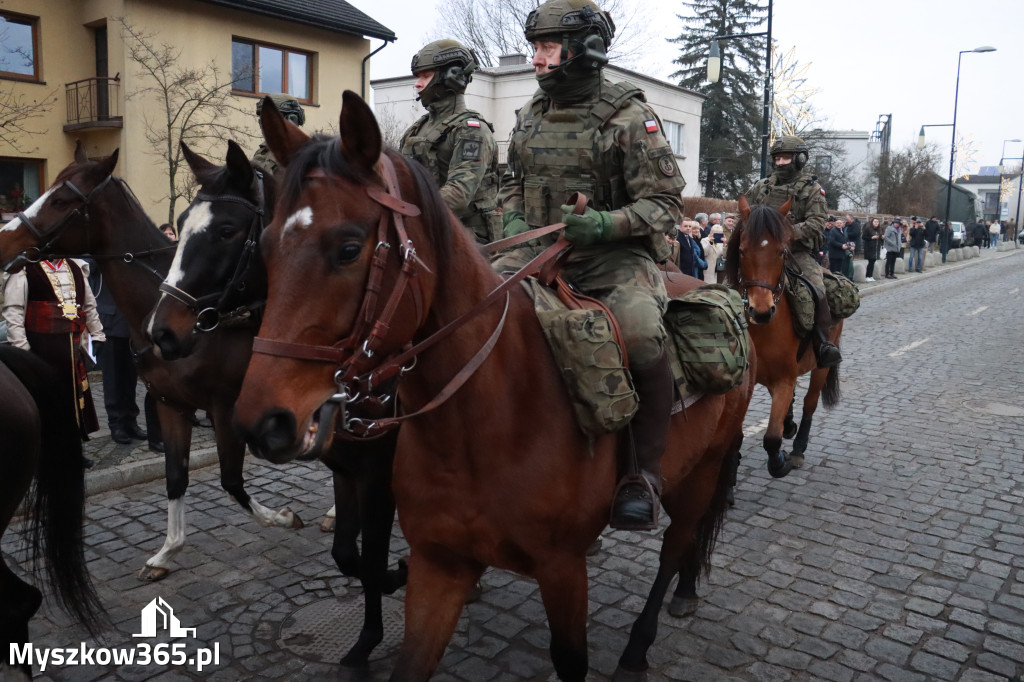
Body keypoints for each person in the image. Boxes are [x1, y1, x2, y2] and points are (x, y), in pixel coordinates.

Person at [497, 0, 685, 530]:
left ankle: (643, 475)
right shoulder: (529, 114)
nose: (535, 59)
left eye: (547, 48)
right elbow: (510, 182)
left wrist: (605, 225)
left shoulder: (629, 116)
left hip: (613, 257)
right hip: (534, 250)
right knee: (467, 308)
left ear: (585, 52)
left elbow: (666, 204)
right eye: (535, 46)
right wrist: (511, 221)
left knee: (643, 334)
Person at [745, 135, 841, 368]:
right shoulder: (761, 187)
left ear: (799, 159)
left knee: (817, 290)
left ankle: (822, 343)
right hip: (763, 254)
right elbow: (745, 214)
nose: (780, 162)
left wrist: (786, 233)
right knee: (731, 286)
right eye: (777, 158)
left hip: (797, 254)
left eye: (786, 158)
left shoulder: (812, 189)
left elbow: (818, 222)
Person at [2, 258, 106, 463]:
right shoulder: (25, 269)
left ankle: (73, 449)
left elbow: (89, 304)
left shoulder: (75, 267)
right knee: (47, 400)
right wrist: (23, 350)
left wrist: (98, 333)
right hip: (41, 348)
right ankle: (46, 452)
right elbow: (14, 312)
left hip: (72, 347)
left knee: (74, 399)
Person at [401, 40, 500, 244]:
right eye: (418, 76)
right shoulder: (418, 128)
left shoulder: (472, 130)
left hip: (469, 238)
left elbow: (459, 193)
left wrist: (407, 211)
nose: (417, 83)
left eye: (425, 76)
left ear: (452, 77)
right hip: (426, 230)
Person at [87, 263, 164, 452]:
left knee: (130, 378)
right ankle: (117, 424)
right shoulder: (98, 254)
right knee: (113, 379)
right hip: (110, 324)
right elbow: (89, 268)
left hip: (131, 325)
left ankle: (131, 421)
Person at [251, 93, 306, 178]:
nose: (264, 124)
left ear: (291, 120)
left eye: (269, 118)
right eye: (262, 120)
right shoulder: (262, 152)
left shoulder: (303, 156)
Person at [862, 216, 881, 281]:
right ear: (872, 222)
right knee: (870, 262)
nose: (876, 223)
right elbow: (863, 237)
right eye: (875, 221)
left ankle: (870, 275)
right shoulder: (868, 229)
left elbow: (879, 237)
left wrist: (881, 237)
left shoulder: (879, 230)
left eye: (877, 222)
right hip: (869, 248)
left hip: (876, 248)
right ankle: (868, 276)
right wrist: (871, 238)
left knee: (873, 262)